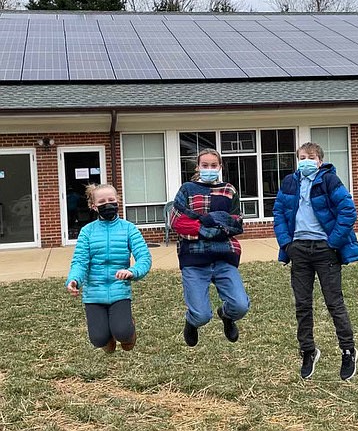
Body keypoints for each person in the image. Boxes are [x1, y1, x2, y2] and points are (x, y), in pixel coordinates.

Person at [273, 142, 358, 381]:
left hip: (325, 250)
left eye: (310, 157)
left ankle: (348, 350)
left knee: (334, 303)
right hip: (298, 250)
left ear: (319, 161)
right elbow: (279, 212)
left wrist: (333, 242)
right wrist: (286, 243)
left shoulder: (329, 180)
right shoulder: (290, 182)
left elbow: (348, 210)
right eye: (302, 157)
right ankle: (308, 351)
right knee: (302, 305)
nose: (306, 161)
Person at [170, 148, 250, 347]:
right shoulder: (187, 189)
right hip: (194, 259)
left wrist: (204, 221)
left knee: (240, 306)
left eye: (213, 165)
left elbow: (236, 223)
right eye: (205, 165)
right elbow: (177, 221)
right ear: (198, 167)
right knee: (202, 315)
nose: (209, 169)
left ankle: (226, 316)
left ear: (220, 167)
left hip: (224, 256)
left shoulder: (229, 190)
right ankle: (192, 322)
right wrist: (212, 225)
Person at [65, 183, 151, 353]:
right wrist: (74, 280)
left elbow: (144, 258)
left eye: (111, 200)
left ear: (118, 201)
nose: (108, 204)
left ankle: (128, 329)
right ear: (93, 206)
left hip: (119, 290)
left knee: (123, 332)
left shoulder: (128, 228)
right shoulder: (87, 232)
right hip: (94, 294)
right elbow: (80, 262)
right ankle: (105, 336)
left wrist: (132, 272)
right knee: (98, 340)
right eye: (102, 202)